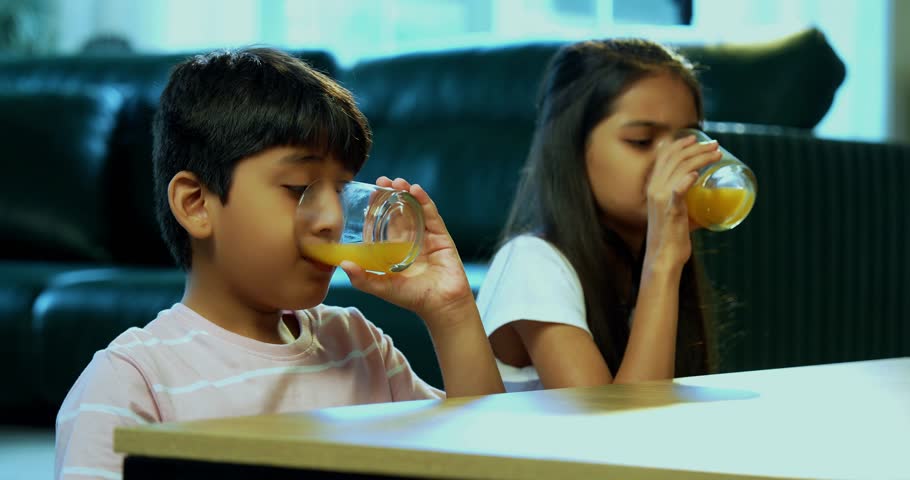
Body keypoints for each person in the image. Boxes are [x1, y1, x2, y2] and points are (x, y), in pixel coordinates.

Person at [55, 47, 504, 479]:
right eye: (298, 188)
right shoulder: (132, 383)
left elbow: (490, 464)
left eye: (343, 189)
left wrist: (452, 313)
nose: (331, 218)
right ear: (196, 204)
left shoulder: (357, 346)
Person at [476, 39, 721, 392]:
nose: (670, 163)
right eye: (640, 140)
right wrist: (663, 263)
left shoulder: (641, 259)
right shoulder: (532, 263)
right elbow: (613, 432)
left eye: (686, 140)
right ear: (572, 148)